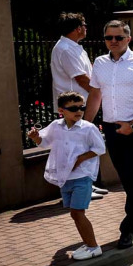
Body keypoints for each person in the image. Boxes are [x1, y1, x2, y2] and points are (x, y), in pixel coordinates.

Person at [84, 20, 133, 249]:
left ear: (128, 39)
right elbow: (95, 96)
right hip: (111, 128)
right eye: (109, 38)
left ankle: (128, 226)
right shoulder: (99, 63)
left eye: (118, 37)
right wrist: (85, 126)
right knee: (127, 177)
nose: (113, 42)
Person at [28, 91, 106, 260]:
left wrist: (80, 159)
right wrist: (35, 138)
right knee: (74, 213)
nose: (79, 111)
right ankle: (88, 243)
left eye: (81, 107)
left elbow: (100, 148)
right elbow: (44, 142)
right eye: (73, 108)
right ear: (61, 110)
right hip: (65, 177)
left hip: (82, 177)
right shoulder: (56, 126)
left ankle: (94, 247)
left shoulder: (88, 128)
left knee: (78, 212)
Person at [49, 12, 107, 200]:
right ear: (77, 28)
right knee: (73, 146)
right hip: (74, 106)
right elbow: (82, 79)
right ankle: (76, 188)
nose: (86, 28)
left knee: (84, 144)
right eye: (84, 25)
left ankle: (87, 184)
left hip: (83, 103)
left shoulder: (75, 47)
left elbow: (88, 73)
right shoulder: (65, 49)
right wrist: (100, 92)